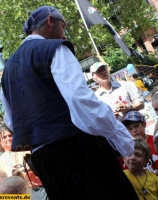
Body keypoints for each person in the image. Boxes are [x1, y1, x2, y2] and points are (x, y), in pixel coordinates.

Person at [1, 6, 139, 200]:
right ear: (51, 21)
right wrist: (116, 134)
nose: (64, 34)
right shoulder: (54, 48)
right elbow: (79, 100)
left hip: (43, 159)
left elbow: (12, 120)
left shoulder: (7, 71)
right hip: (76, 148)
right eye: (63, 26)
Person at [122, 111, 158, 200]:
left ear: (144, 124)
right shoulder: (129, 148)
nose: (134, 130)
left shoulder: (156, 140)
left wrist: (156, 179)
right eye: (130, 128)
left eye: (136, 126)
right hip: (146, 193)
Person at [0, 123, 48, 200]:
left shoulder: (25, 150)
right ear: (0, 141)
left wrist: (29, 167)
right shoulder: (1, 160)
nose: (8, 138)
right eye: (4, 137)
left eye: (10, 135)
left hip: (38, 190)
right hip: (18, 196)